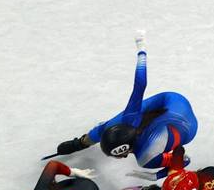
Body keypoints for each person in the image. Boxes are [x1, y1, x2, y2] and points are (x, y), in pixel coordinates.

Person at [47, 31, 197, 180]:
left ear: (123, 153)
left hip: (187, 128)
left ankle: (83, 142)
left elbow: (185, 159)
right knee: (113, 124)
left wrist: (156, 176)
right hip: (173, 101)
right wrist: (141, 49)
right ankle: (83, 141)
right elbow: (140, 85)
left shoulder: (146, 156)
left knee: (115, 127)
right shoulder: (130, 119)